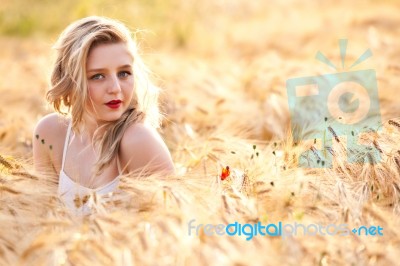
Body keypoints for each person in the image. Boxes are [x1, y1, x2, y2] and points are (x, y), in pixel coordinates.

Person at [33, 16, 175, 214]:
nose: (115, 88)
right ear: (70, 81)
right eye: (97, 76)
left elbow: (172, 226)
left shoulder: (138, 140)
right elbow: (40, 219)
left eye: (124, 73)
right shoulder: (50, 134)